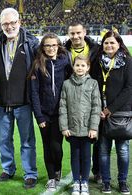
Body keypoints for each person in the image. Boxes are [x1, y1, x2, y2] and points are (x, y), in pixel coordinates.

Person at [0, 7, 38, 189]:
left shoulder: (31, 43)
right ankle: (8, 169)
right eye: (5, 24)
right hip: (2, 102)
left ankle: (30, 173)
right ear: (0, 25)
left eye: (12, 23)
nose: (9, 27)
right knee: (3, 140)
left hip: (23, 102)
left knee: (27, 140)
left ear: (19, 22)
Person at [91, 30, 132, 194]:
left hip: (120, 113)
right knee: (103, 150)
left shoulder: (127, 62)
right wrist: (98, 109)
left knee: (122, 150)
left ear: (119, 44)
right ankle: (106, 182)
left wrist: (110, 109)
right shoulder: (97, 62)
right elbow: (93, 85)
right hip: (100, 113)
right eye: (106, 42)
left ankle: (122, 182)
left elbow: (129, 88)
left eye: (112, 43)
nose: (109, 45)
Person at [30, 33, 71, 191]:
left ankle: (58, 168)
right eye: (47, 45)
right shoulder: (37, 64)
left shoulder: (65, 62)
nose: (51, 48)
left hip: (60, 112)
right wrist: (39, 116)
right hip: (44, 114)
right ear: (43, 47)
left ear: (58, 46)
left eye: (54, 45)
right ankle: (51, 177)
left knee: (56, 146)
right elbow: (34, 92)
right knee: (47, 146)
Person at [59, 55, 101, 195]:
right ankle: (77, 182)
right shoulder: (66, 84)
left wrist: (93, 128)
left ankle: (85, 183)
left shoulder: (93, 83)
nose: (80, 68)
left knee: (86, 156)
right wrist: (64, 127)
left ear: (88, 67)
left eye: (83, 65)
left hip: (88, 129)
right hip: (72, 129)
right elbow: (63, 107)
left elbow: (96, 107)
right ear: (73, 66)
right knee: (75, 156)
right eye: (77, 65)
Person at [64, 22, 101, 183]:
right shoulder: (64, 50)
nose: (76, 36)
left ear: (84, 32)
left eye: (78, 33)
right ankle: (78, 179)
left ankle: (97, 172)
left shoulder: (95, 49)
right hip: (72, 97)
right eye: (72, 33)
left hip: (92, 97)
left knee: (97, 141)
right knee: (75, 150)